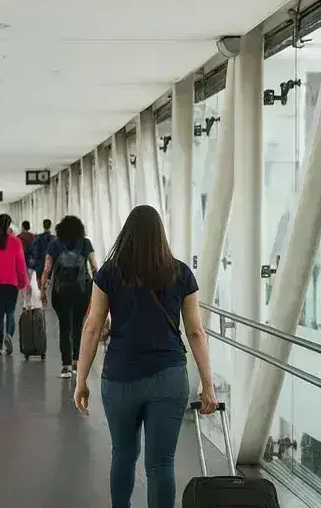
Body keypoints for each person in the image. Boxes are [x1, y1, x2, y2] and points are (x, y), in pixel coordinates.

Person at [73, 205, 218, 508]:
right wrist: (208, 382)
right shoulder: (181, 273)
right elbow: (195, 332)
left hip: (120, 376)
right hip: (168, 377)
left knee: (123, 455)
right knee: (161, 463)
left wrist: (81, 379)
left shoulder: (110, 273)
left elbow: (92, 328)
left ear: (127, 234)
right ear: (160, 236)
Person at [40, 216, 98, 378]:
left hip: (61, 292)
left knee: (65, 327)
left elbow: (47, 269)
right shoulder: (85, 243)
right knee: (78, 326)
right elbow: (94, 267)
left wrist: (43, 291)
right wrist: (98, 290)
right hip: (82, 291)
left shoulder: (55, 244)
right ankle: (76, 362)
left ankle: (65, 366)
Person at [0, 214, 30, 355]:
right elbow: (21, 264)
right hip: (11, 282)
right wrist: (24, 283)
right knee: (10, 312)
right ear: (9, 224)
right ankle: (9, 335)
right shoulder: (15, 242)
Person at [28, 219, 54, 289]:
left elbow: (31, 249)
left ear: (43, 226)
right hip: (50, 265)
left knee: (40, 285)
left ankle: (42, 295)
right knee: (48, 284)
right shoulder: (54, 239)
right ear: (50, 226)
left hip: (40, 264)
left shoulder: (37, 237)